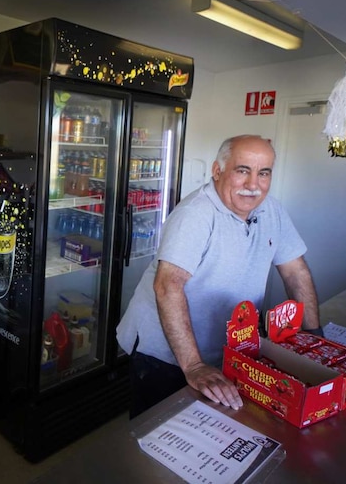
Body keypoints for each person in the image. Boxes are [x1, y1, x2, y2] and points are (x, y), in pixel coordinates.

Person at [116, 134, 322, 418]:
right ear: (217, 170)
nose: (253, 185)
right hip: (165, 352)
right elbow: (167, 285)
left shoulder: (271, 209)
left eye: (263, 173)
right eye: (242, 171)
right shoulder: (196, 214)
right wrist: (194, 367)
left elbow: (295, 270)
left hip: (224, 348)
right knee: (157, 434)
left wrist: (314, 335)